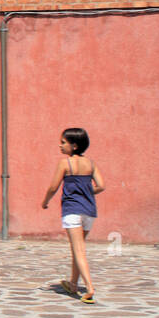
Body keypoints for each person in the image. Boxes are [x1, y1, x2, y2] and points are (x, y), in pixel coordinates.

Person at [41, 127, 106, 304]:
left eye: (63, 142)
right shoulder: (91, 164)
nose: (60, 146)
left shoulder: (65, 163)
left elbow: (53, 187)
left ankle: (89, 287)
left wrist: (45, 201)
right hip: (89, 211)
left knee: (79, 250)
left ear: (74, 146)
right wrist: (86, 190)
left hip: (72, 210)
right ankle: (73, 283)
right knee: (78, 249)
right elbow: (101, 185)